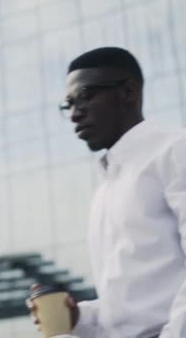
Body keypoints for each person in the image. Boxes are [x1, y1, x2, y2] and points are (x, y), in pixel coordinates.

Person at [27, 47, 186, 337]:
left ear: (128, 92)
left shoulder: (175, 151)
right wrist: (81, 319)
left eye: (86, 96)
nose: (75, 114)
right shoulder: (106, 189)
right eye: (69, 104)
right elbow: (131, 310)